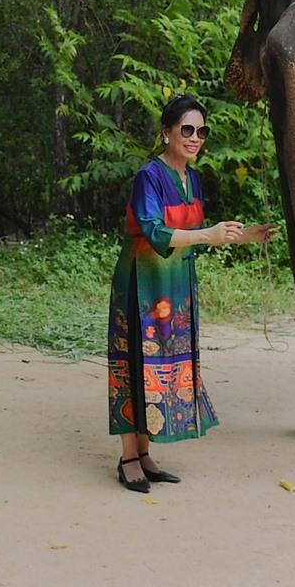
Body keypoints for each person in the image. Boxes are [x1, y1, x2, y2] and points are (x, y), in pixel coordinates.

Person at [107, 94, 272, 493]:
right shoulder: (149, 176)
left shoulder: (192, 179)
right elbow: (154, 231)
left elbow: (194, 241)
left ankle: (145, 454)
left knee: (162, 365)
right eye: (187, 130)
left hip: (177, 287)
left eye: (201, 131)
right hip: (143, 285)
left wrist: (240, 237)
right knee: (135, 363)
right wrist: (207, 233)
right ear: (166, 132)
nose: (195, 138)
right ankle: (129, 457)